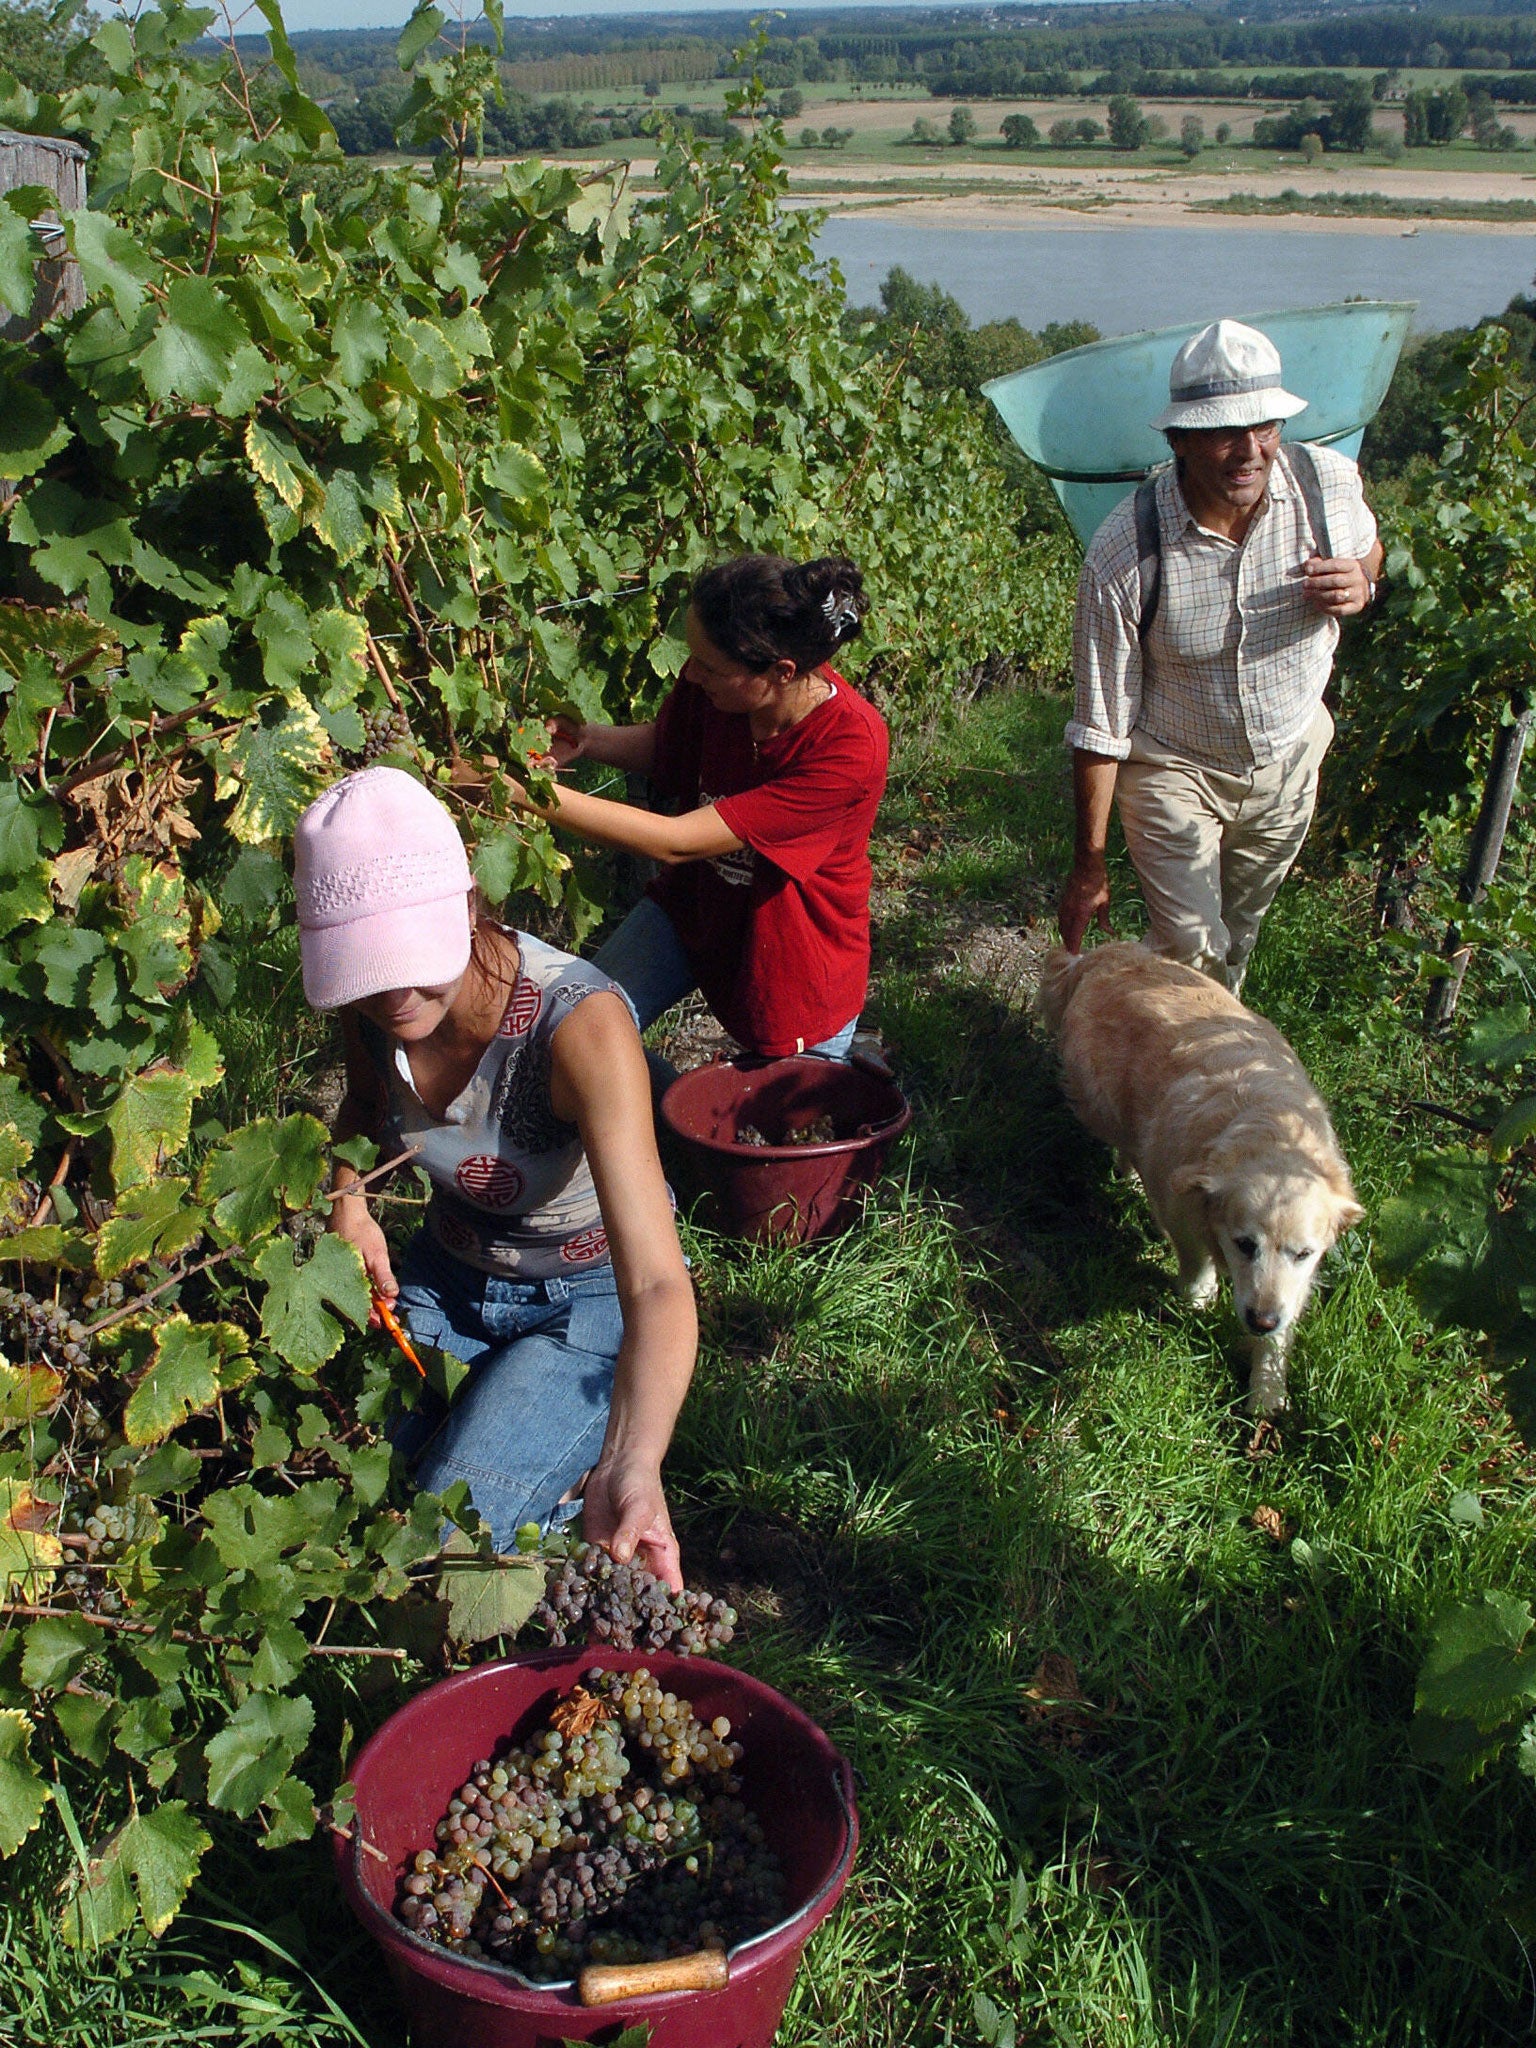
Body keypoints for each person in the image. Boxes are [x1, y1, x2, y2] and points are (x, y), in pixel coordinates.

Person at [293, 765, 697, 1588]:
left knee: (447, 1539)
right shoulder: (371, 1007)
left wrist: (636, 1462)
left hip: (581, 1303)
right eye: (365, 970)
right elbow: (363, 1112)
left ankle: (565, 1471)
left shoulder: (577, 1026)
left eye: (410, 960)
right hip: (444, 1278)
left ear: (471, 901)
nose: (393, 993)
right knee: (322, 1486)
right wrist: (350, 1200)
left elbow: (656, 1284)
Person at [1059, 318, 1385, 992]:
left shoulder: (1327, 489)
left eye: (1264, 425)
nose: (1249, 450)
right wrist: (1088, 864)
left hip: (1290, 760)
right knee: (1191, 953)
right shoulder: (1126, 553)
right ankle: (1164, 1086)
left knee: (1236, 942)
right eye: (1222, 431)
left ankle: (1204, 1078)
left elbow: (1369, 547)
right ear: (1178, 439)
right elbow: (1100, 725)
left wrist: (1363, 579)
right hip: (1175, 768)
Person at [514, 554, 889, 1062]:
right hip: (695, 905)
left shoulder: (849, 744)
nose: (689, 674)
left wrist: (524, 792)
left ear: (780, 672)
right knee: (578, 1026)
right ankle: (655, 1116)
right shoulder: (715, 690)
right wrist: (587, 740)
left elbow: (677, 841)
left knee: (781, 1122)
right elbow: (669, 746)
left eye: (709, 666)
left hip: (791, 947)